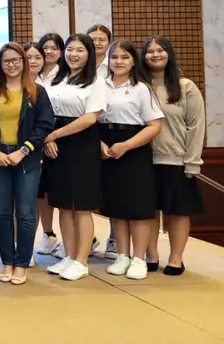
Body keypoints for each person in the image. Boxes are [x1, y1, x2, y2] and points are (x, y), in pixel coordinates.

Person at [0, 43, 54, 285]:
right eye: (6, 61)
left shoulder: (36, 92)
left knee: (26, 212)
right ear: (0, 64)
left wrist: (23, 150)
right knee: (2, 212)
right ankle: (7, 261)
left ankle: (21, 263)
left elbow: (44, 124)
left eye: (15, 60)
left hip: (27, 158)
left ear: (23, 61)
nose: (11, 65)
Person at [42, 34, 106, 282]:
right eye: (70, 49)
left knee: (81, 206)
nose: (73, 54)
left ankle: (81, 260)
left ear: (89, 54)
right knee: (63, 204)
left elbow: (90, 118)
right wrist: (48, 139)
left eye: (80, 50)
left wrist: (54, 135)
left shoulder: (95, 82)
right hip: (54, 143)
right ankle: (69, 255)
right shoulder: (56, 78)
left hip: (81, 143)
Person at [101, 40, 164, 280]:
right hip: (107, 148)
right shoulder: (100, 86)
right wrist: (100, 144)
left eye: (124, 57)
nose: (118, 61)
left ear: (133, 61)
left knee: (138, 207)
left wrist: (126, 145)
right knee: (116, 205)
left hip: (133, 148)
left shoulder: (141, 89)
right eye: (114, 57)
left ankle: (139, 258)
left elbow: (155, 126)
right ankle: (123, 255)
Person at [142, 36, 205, 276]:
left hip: (176, 160)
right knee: (147, 211)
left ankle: (176, 259)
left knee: (177, 212)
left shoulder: (185, 86)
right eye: (150, 51)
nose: (155, 55)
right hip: (143, 160)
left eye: (160, 50)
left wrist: (192, 162)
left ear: (169, 54)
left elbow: (196, 126)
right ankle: (151, 255)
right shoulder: (139, 86)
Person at [35, 32, 66, 258]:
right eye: (45, 47)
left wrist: (51, 137)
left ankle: (75, 240)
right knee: (39, 193)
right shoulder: (30, 76)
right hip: (35, 140)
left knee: (61, 191)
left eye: (54, 48)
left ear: (61, 52)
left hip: (60, 138)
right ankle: (48, 234)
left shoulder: (66, 76)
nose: (49, 51)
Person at [87, 23, 117, 258]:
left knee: (114, 189)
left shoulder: (114, 66)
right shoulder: (79, 66)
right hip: (86, 131)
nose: (97, 42)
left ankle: (115, 239)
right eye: (93, 39)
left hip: (112, 130)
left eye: (102, 39)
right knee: (85, 190)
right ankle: (87, 238)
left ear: (109, 42)